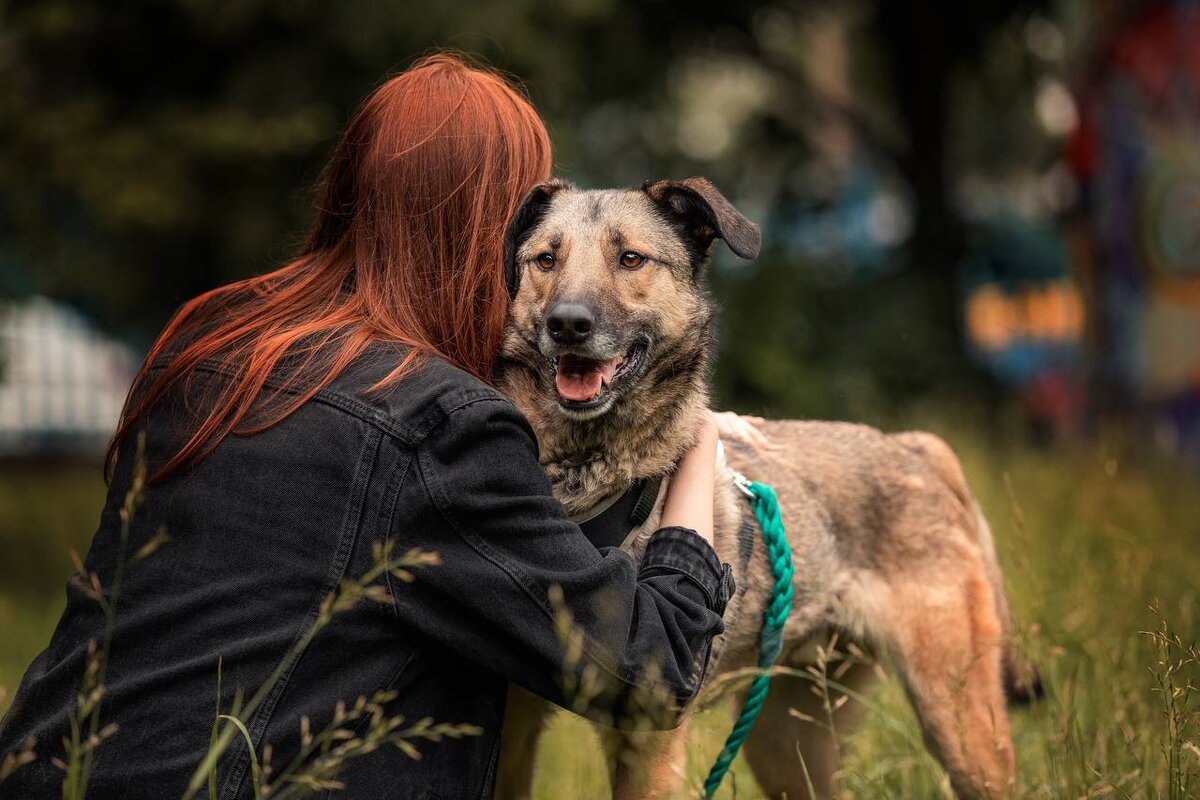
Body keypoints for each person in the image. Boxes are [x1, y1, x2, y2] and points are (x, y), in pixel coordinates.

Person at [0, 55, 735, 799]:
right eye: (537, 240)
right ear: (489, 228)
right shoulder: (440, 427)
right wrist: (697, 444)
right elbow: (651, 671)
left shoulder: (205, 356)